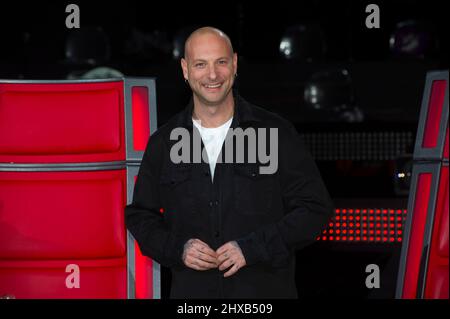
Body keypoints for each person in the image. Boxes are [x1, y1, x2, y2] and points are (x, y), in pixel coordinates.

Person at [125, 26, 334, 298]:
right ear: (185, 70)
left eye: (220, 62)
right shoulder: (164, 143)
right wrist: (178, 248)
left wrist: (253, 248)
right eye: (201, 64)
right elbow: (140, 217)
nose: (212, 75)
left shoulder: (274, 133)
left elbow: (315, 209)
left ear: (234, 64)